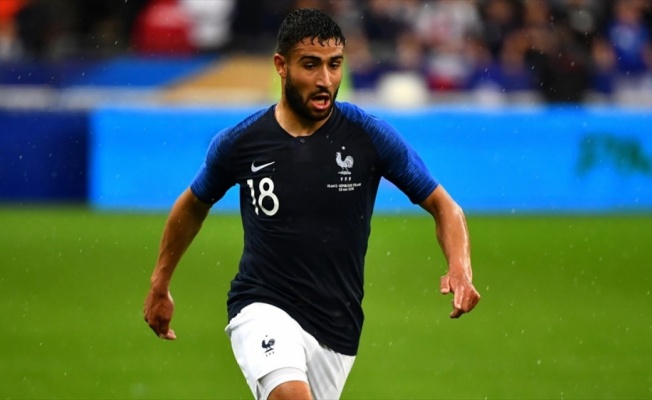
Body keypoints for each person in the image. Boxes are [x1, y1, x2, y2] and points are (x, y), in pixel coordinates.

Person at [143, 8, 480, 400]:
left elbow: (444, 205)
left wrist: (460, 267)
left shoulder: (367, 136)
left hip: (338, 328)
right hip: (261, 305)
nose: (325, 80)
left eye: (334, 65)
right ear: (281, 66)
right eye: (310, 65)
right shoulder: (241, 143)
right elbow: (192, 205)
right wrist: (159, 283)